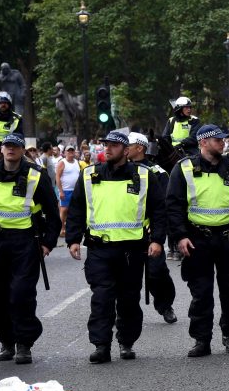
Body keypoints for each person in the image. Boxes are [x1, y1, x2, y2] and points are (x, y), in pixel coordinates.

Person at [65, 131, 166, 363]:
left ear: (126, 150)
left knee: (129, 299)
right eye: (105, 145)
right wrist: (73, 239)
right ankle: (101, 345)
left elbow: (158, 210)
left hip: (132, 250)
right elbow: (77, 209)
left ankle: (126, 342)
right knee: (102, 298)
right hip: (100, 249)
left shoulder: (144, 175)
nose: (107, 149)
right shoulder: (89, 175)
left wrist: (157, 240)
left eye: (113, 145)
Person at [166, 124, 229, 357]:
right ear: (203, 143)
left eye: (223, 140)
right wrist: (180, 236)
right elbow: (174, 205)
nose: (222, 143)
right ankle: (201, 339)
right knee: (201, 293)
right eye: (217, 140)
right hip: (198, 239)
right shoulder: (184, 168)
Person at [0, 133, 60, 365]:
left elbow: (52, 214)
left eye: (15, 146)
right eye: (7, 146)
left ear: (23, 150)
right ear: (1, 149)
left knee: (22, 294)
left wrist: (47, 243)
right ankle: (6, 341)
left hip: (25, 242)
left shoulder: (36, 175)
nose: (10, 149)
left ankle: (24, 343)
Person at [126, 133, 177, 324]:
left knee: (157, 272)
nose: (124, 148)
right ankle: (124, 311)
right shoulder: (119, 170)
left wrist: (158, 231)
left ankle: (165, 305)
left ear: (139, 147)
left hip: (150, 232)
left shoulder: (158, 173)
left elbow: (163, 205)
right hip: (125, 233)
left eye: (128, 145)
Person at [56, 146, 82, 237]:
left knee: (73, 210)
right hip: (65, 190)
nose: (71, 152)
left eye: (72, 150)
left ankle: (70, 228)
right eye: (68, 150)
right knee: (64, 210)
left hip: (75, 190)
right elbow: (57, 177)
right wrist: (61, 191)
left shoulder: (77, 162)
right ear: (65, 152)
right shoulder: (62, 162)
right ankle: (62, 228)